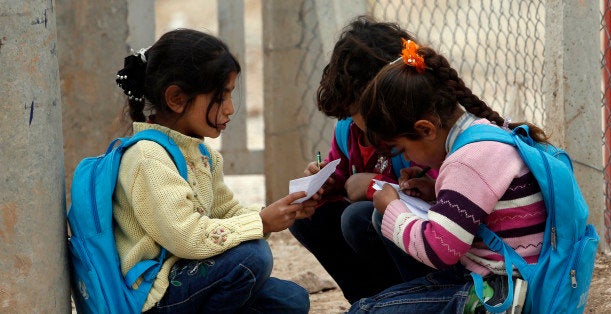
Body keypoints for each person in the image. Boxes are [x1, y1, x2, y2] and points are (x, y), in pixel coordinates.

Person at [113, 28, 316, 313]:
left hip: (187, 278)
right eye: (221, 97)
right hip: (155, 296)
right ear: (176, 98)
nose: (230, 109)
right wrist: (262, 223)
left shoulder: (201, 154)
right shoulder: (148, 158)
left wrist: (278, 211)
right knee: (252, 258)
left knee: (291, 300)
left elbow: (225, 211)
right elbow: (188, 237)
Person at [347, 38, 550, 313]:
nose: (407, 158)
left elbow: (439, 250)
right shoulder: (482, 135)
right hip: (515, 277)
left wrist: (393, 208)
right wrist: (435, 191)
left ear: (427, 130)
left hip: (504, 289)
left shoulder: (466, 161)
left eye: (404, 148)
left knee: (364, 310)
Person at [288, 16, 436, 303]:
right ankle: (366, 301)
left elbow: (433, 198)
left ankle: (412, 300)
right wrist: (326, 184)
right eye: (355, 112)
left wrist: (374, 186)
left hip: (419, 248)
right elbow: (342, 176)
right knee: (305, 216)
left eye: (368, 113)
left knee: (357, 217)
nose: (362, 124)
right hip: (375, 244)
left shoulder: (414, 134)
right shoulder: (348, 131)